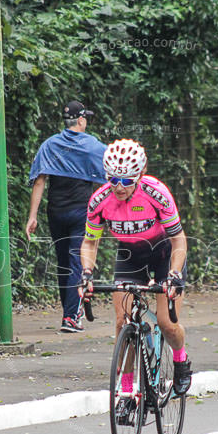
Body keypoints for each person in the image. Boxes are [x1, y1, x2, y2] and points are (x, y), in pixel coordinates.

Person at [78, 139, 192, 396]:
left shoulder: (156, 193)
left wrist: (174, 275)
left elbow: (178, 239)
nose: (119, 187)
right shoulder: (100, 200)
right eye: (113, 179)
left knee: (166, 323)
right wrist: (86, 273)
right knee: (122, 322)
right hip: (130, 256)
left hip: (164, 253)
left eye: (127, 181)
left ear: (139, 176)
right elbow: (89, 242)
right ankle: (127, 390)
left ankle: (180, 359)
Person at [26, 101, 107, 333]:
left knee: (64, 263)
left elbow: (39, 180)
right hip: (82, 212)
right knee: (75, 262)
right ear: (81, 120)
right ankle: (71, 316)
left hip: (56, 213)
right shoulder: (93, 146)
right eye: (86, 118)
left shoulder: (50, 145)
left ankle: (69, 312)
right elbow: (111, 177)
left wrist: (32, 216)